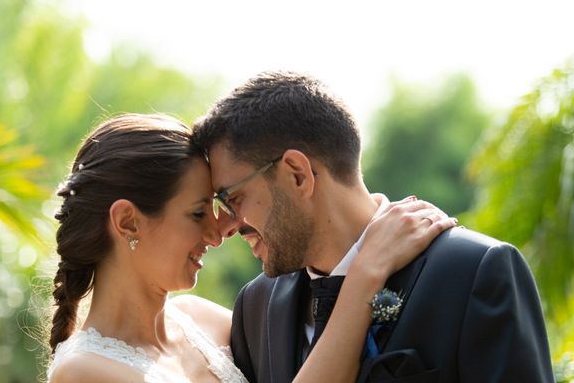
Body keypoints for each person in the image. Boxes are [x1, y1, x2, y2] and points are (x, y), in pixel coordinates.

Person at [192, 71, 555, 383]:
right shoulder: (255, 307)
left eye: (232, 199)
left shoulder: (474, 272)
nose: (226, 226)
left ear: (297, 175)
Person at [45, 113, 455, 382]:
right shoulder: (84, 372)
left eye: (222, 205)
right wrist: (367, 274)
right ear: (127, 221)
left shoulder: (210, 321)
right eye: (197, 212)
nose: (221, 230)